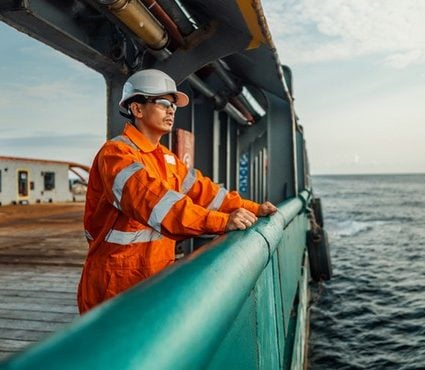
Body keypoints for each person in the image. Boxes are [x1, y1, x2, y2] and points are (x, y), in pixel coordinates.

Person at [77, 69, 277, 313]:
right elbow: (158, 206)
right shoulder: (116, 155)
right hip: (115, 286)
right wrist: (223, 222)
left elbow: (208, 193)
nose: (171, 110)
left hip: (153, 279)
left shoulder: (166, 159)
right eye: (163, 103)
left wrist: (254, 208)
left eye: (173, 105)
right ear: (137, 109)